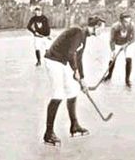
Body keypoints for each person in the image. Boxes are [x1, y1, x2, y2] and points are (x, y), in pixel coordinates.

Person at [42, 16, 106, 146]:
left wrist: (82, 79)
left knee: (72, 91)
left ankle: (74, 125)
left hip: (62, 61)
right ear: (95, 26)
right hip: (53, 60)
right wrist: (75, 71)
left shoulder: (84, 37)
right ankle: (48, 134)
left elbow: (79, 58)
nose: (101, 32)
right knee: (58, 94)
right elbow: (71, 54)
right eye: (101, 29)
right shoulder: (78, 32)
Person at [104, 13, 135, 88]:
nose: (127, 24)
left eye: (129, 21)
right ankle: (109, 75)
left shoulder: (132, 26)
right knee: (112, 59)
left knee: (129, 59)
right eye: (125, 22)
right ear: (121, 21)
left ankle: (127, 79)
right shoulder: (115, 27)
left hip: (127, 43)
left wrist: (127, 44)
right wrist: (113, 50)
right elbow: (111, 40)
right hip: (116, 43)